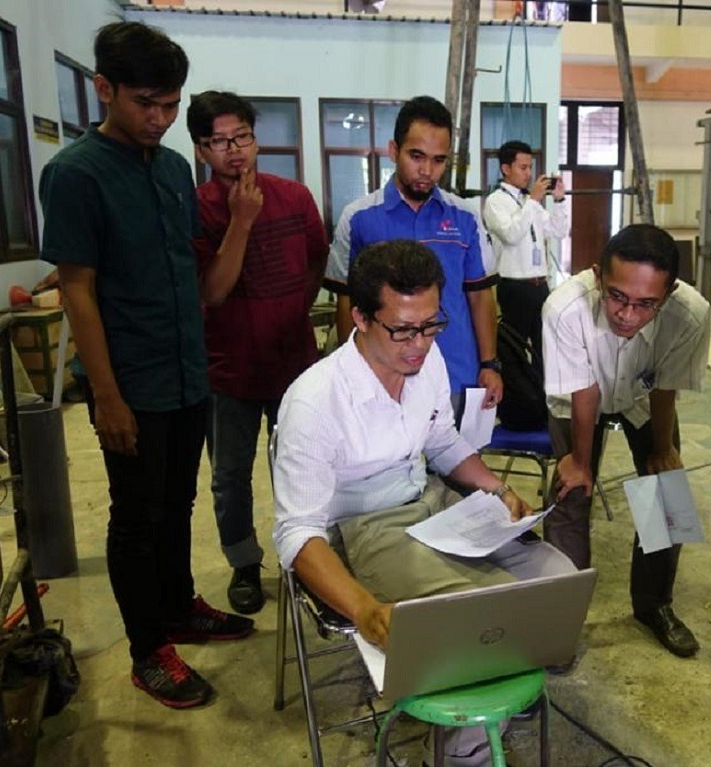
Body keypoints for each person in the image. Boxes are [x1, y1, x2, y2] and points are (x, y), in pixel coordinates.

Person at [274, 239, 575, 767]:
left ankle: (496, 695)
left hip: (431, 501)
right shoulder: (315, 401)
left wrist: (498, 492)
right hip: (365, 525)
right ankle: (465, 751)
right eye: (403, 330)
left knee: (556, 577)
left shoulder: (425, 358)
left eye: (431, 325)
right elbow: (298, 533)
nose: (419, 344)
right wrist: (366, 609)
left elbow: (441, 440)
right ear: (362, 318)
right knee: (483, 626)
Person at [39, 22, 253, 710]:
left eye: (170, 105)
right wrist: (105, 395)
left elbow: (190, 273)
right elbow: (77, 288)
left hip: (189, 371)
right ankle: (146, 649)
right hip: (131, 380)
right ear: (104, 89)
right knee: (136, 514)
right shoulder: (74, 174)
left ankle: (178, 605)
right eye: (145, 104)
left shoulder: (169, 168)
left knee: (178, 503)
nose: (159, 119)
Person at [186, 91, 329, 615]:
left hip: (295, 367)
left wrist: (291, 311)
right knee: (229, 476)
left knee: (304, 467)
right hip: (228, 371)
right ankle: (245, 565)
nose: (234, 151)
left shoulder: (295, 196)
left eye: (242, 136)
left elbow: (316, 264)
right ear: (202, 150)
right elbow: (212, 292)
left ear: (255, 136)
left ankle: (309, 560)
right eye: (219, 142)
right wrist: (242, 219)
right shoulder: (196, 210)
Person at [541, 224, 711, 657]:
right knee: (569, 496)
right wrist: (580, 462)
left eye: (645, 304)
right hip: (576, 398)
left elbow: (666, 384)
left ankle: (655, 605)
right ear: (598, 276)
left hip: (642, 394)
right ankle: (560, 619)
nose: (627, 315)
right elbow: (585, 393)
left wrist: (662, 450)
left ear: (669, 292)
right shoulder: (564, 308)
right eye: (617, 296)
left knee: (668, 495)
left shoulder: (691, 314)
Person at [325, 95, 502, 417]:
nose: (426, 171)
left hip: (457, 376)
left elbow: (479, 297)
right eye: (416, 156)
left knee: (459, 464)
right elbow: (347, 303)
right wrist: (354, 371)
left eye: (438, 160)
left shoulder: (465, 217)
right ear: (394, 151)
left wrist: (489, 364)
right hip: (383, 381)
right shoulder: (359, 218)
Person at [483, 140, 569, 379]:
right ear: (506, 168)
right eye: (523, 167)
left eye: (530, 167)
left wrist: (560, 201)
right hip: (515, 287)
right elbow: (512, 234)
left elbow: (558, 231)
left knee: (545, 347)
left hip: (540, 286)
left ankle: (541, 400)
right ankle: (518, 404)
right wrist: (532, 201)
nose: (528, 173)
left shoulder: (527, 202)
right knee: (515, 351)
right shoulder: (495, 202)